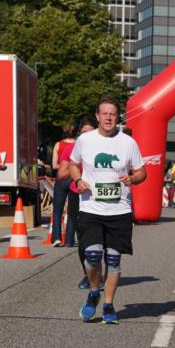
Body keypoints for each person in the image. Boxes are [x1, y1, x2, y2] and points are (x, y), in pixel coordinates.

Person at [69, 98, 147, 324]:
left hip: (119, 210)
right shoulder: (85, 140)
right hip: (91, 208)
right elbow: (73, 164)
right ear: (97, 116)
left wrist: (132, 178)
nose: (109, 118)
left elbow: (142, 172)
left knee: (113, 260)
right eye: (104, 113)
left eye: (112, 114)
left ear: (118, 117)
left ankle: (109, 305)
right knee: (92, 256)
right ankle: (94, 291)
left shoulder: (128, 142)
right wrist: (78, 180)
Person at [69, 116, 97, 288]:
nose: (86, 136)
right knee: (82, 237)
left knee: (99, 239)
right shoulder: (74, 149)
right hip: (76, 194)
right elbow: (64, 169)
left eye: (90, 132)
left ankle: (99, 273)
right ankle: (87, 274)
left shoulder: (104, 147)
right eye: (83, 133)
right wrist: (77, 178)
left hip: (97, 196)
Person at [51, 123, 77, 246]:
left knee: (57, 209)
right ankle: (69, 240)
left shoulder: (58, 145)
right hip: (74, 177)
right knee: (72, 210)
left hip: (61, 178)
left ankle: (56, 237)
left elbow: (54, 165)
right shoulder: (78, 145)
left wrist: (63, 166)